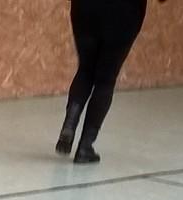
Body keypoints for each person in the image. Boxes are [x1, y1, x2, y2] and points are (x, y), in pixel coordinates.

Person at [57, 0, 165, 164]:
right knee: (105, 80)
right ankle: (85, 147)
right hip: (123, 14)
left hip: (85, 10)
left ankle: (70, 123)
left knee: (85, 70)